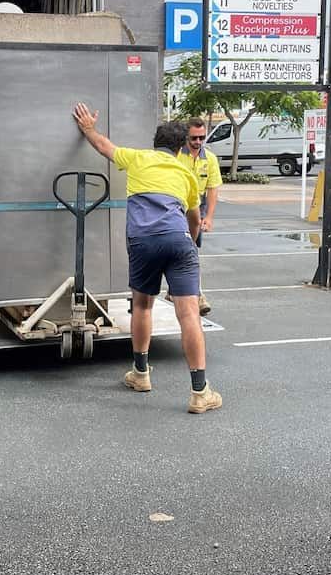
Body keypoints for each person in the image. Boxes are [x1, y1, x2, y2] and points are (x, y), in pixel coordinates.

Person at [71, 103, 222, 414]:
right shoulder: (186, 173)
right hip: (179, 241)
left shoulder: (138, 158)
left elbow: (104, 146)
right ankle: (200, 393)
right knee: (189, 315)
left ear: (155, 143)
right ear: (180, 148)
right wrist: (190, 244)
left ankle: (140, 374)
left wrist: (87, 128)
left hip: (143, 241)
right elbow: (194, 219)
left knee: (142, 305)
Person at [178, 117, 222, 316]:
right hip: (176, 208)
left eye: (202, 138)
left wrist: (209, 217)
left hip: (196, 210)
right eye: (194, 138)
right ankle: (196, 294)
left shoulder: (209, 158)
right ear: (186, 137)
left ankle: (188, 292)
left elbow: (213, 188)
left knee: (191, 252)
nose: (198, 142)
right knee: (185, 252)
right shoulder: (177, 155)